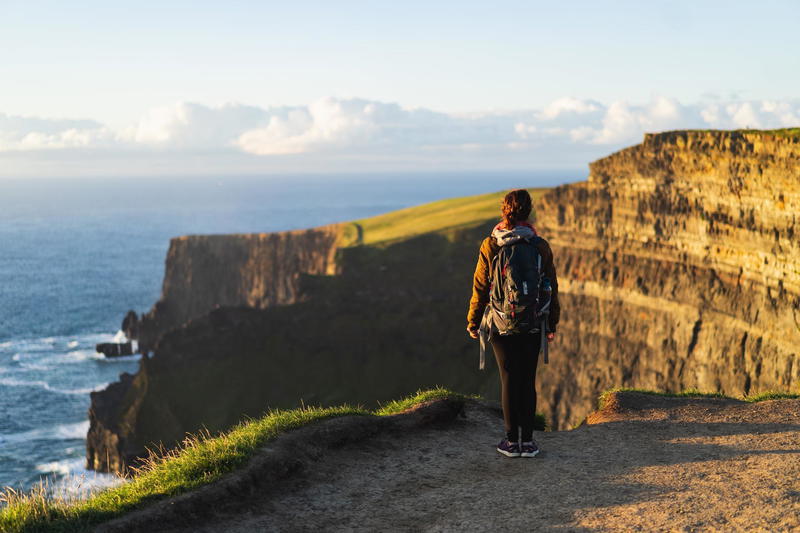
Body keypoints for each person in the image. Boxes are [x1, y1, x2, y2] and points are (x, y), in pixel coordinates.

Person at [467, 189, 560, 458]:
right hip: (533, 321)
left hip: (499, 322)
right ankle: (528, 442)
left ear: (504, 210)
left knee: (508, 379)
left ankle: (511, 442)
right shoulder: (539, 245)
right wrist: (551, 324)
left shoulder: (491, 244)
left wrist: (473, 321)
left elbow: (481, 287)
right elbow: (552, 287)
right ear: (529, 212)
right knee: (527, 380)